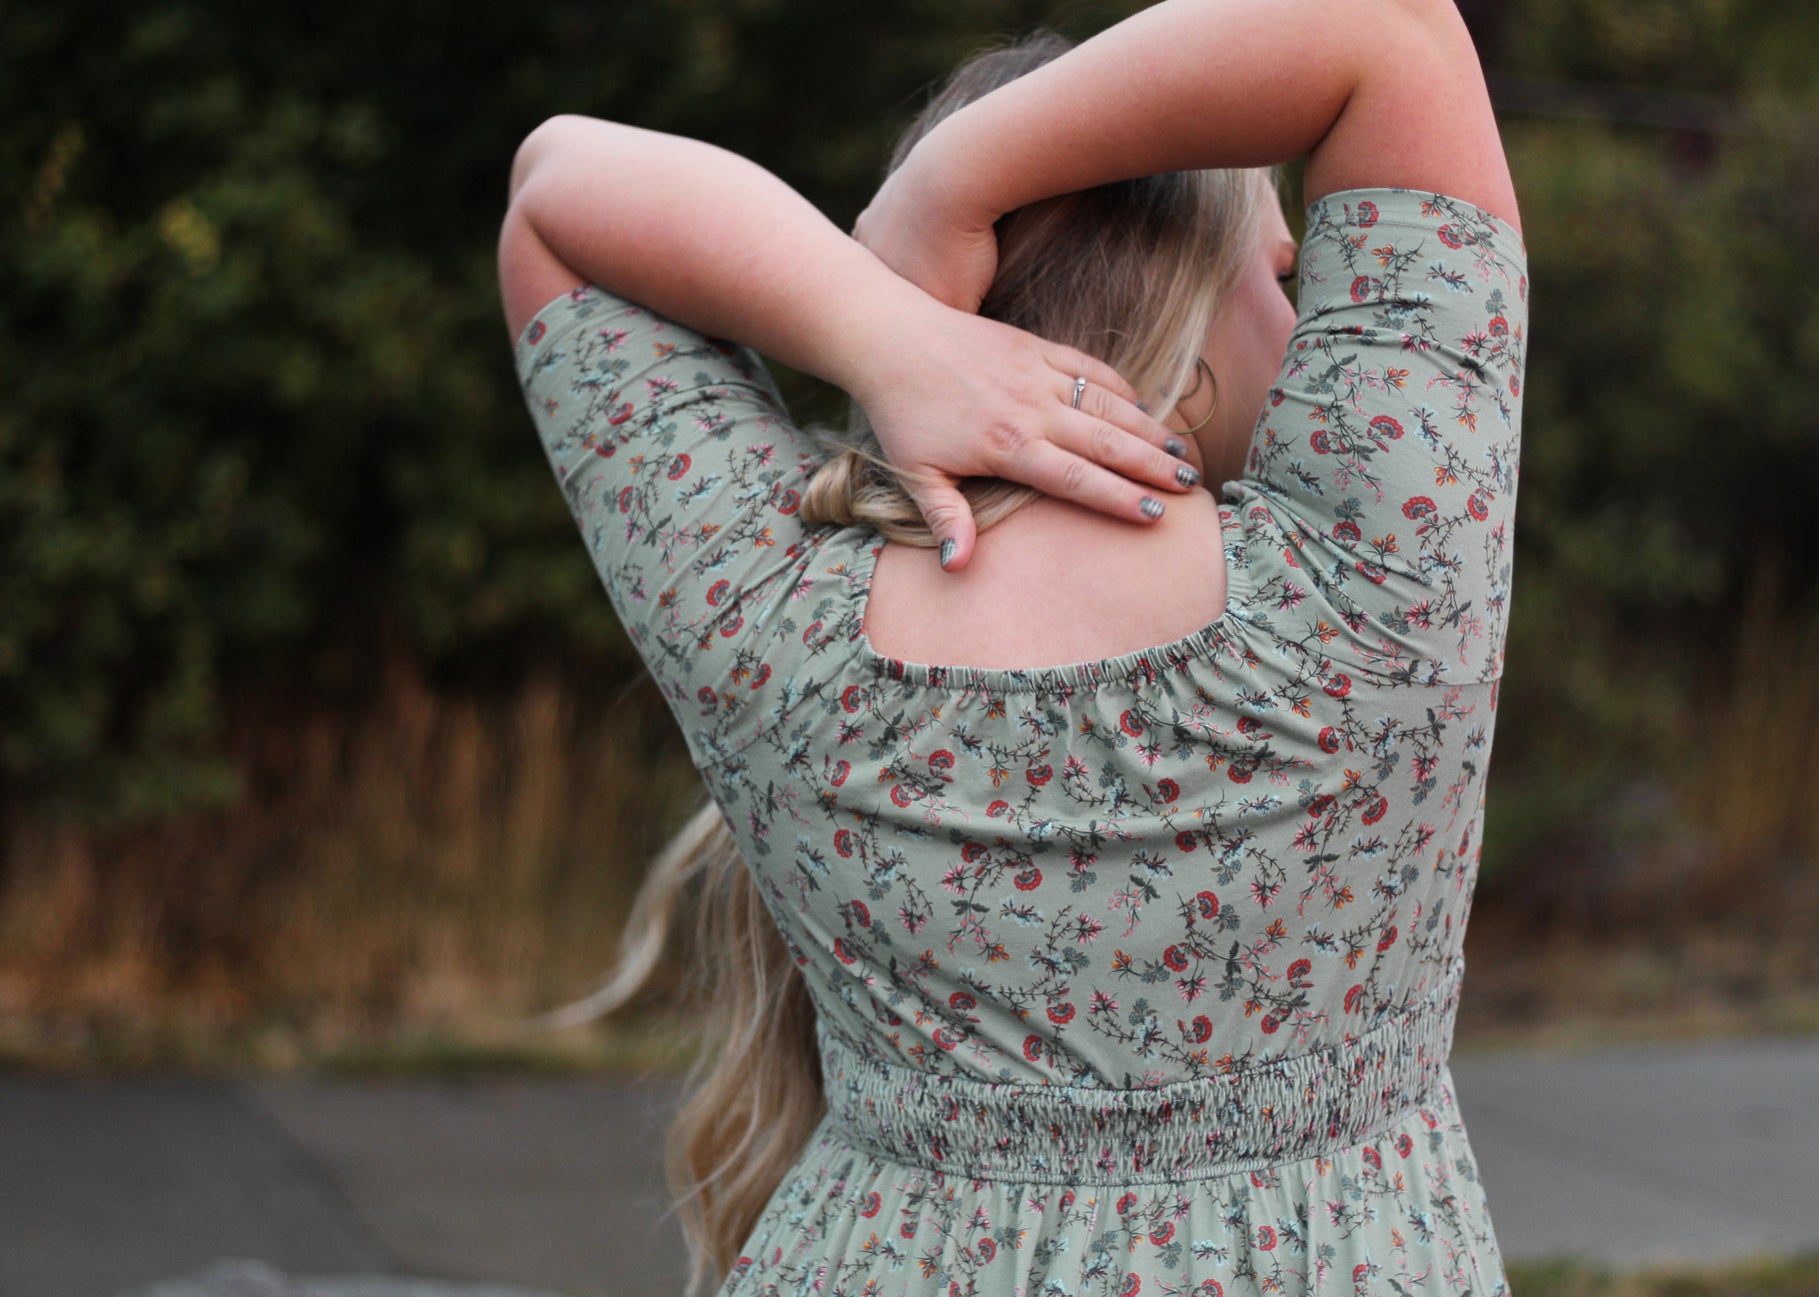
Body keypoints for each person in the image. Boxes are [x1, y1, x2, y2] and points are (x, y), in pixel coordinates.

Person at [499, 1, 1527, 1294]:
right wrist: (953, 186)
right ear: (1190, 329)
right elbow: (1384, 26)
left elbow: (558, 186)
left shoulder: (776, 621)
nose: (1306, 308)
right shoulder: (1381, 577)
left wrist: (885, 323)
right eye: (1277, 271)